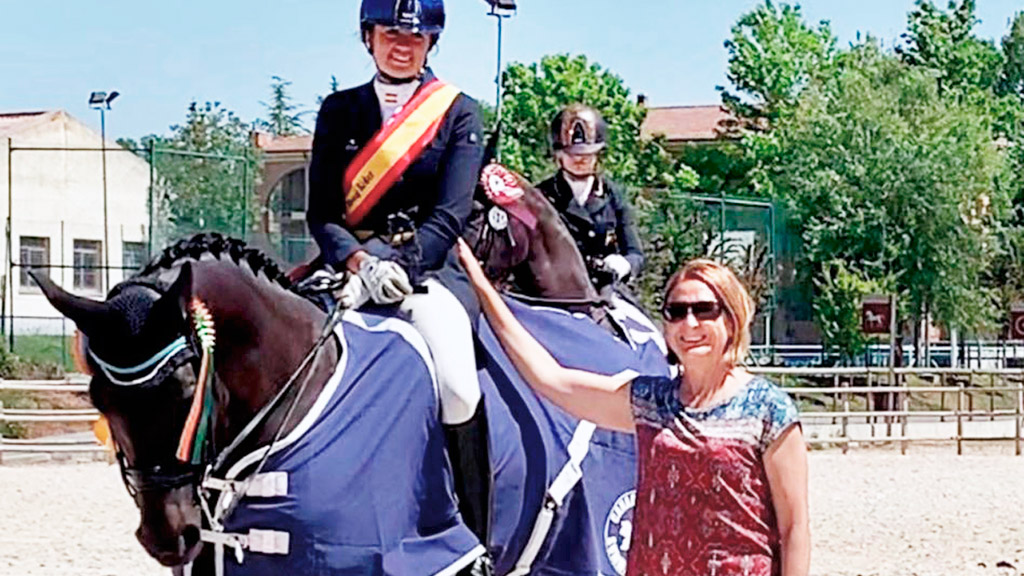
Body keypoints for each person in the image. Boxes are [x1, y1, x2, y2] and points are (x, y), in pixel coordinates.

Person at [457, 239, 810, 576]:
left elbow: (793, 527)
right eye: (676, 312)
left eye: (705, 310)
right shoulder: (651, 402)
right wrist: (480, 285)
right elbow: (552, 380)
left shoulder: (769, 410)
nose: (690, 324)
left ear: (731, 320)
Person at [306, 0, 491, 546]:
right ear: (369, 37)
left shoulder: (460, 112)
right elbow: (322, 214)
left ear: (431, 42)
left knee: (458, 387)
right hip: (349, 267)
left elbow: (451, 214)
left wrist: (397, 268)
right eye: (391, 33)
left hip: (427, 271)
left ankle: (474, 534)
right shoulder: (338, 110)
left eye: (415, 36)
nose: (402, 44)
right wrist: (359, 262)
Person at [536, 104, 645, 290]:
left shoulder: (613, 195)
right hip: (554, 291)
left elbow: (635, 253)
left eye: (587, 154)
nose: (580, 159)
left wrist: (624, 265)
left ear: (598, 155)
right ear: (558, 155)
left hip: (604, 289)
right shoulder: (541, 196)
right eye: (572, 153)